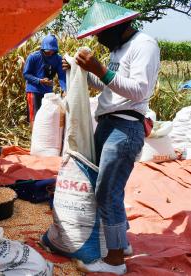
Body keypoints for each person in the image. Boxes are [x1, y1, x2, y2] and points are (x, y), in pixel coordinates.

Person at [63, 1, 160, 274]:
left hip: (125, 127)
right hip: (108, 124)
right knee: (105, 188)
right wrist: (77, 67)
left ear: (118, 27)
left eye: (101, 34)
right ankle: (123, 244)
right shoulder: (119, 48)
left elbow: (138, 91)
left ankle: (115, 260)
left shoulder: (145, 45)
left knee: (107, 192)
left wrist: (99, 68)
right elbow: (107, 83)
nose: (98, 39)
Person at [23, 34, 66, 124]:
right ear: (42, 48)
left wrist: (64, 89)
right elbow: (26, 74)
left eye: (52, 51)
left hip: (48, 93)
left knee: (46, 119)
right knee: (34, 118)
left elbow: (61, 76)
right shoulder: (33, 57)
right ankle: (35, 137)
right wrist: (39, 81)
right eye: (47, 51)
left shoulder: (58, 59)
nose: (50, 53)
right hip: (33, 91)